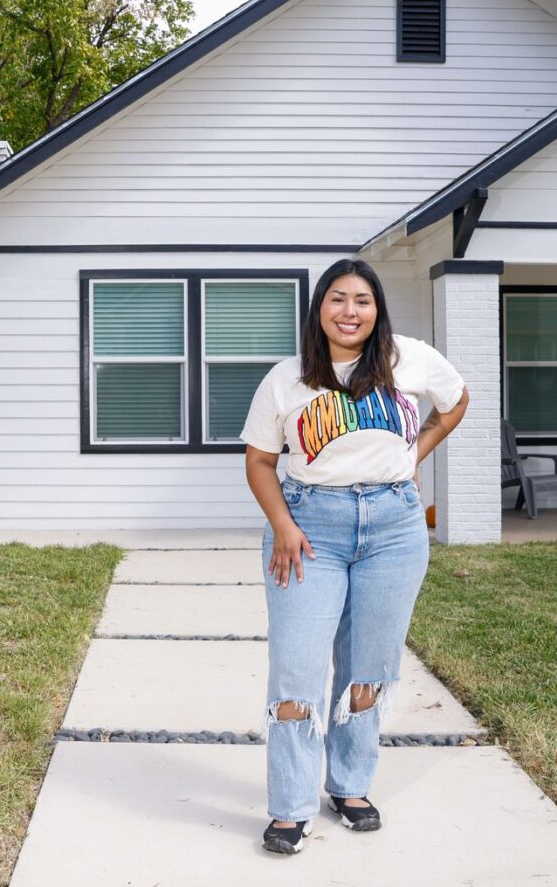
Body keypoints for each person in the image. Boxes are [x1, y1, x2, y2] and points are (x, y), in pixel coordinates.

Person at [240, 258, 469, 855]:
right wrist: (283, 525)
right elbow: (260, 461)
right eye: (337, 299)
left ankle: (349, 785)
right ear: (320, 308)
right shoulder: (287, 379)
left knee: (368, 666)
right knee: (297, 668)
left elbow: (457, 401)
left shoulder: (407, 359)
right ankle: (290, 805)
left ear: (377, 309)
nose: (350, 311)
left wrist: (413, 456)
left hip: (394, 528)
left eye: (362, 300)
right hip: (309, 528)